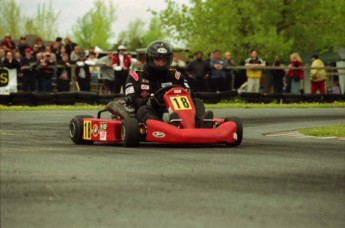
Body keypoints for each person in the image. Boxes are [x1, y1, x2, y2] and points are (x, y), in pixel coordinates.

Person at [123, 40, 213, 128]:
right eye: (157, 60)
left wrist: (186, 94)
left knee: (197, 102)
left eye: (164, 60)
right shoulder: (136, 76)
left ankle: (200, 123)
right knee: (143, 110)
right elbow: (131, 99)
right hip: (153, 110)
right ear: (149, 59)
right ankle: (162, 127)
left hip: (177, 110)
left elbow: (190, 93)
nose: (161, 63)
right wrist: (149, 101)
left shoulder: (175, 75)